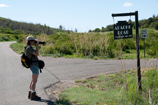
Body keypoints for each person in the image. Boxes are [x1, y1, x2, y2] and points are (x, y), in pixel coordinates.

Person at [25, 36, 41, 100]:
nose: (34, 42)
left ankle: (30, 92)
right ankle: (33, 95)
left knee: (32, 81)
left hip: (33, 65)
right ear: (30, 41)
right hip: (34, 65)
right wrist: (37, 46)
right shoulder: (29, 48)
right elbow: (36, 54)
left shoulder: (28, 47)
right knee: (34, 81)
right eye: (33, 41)